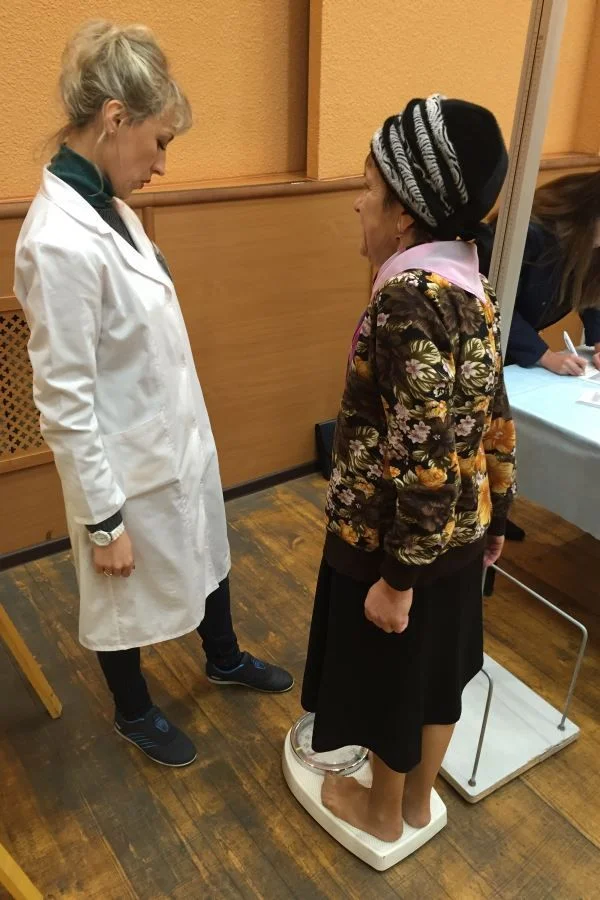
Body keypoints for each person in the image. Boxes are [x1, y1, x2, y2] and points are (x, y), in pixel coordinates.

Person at [14, 21, 292, 769]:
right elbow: (64, 400)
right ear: (115, 118)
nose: (163, 163)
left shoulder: (111, 205)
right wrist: (104, 522)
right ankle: (133, 711)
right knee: (119, 592)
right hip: (123, 467)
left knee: (207, 544)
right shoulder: (59, 241)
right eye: (160, 141)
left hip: (175, 437)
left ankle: (222, 657)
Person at [301, 95, 516, 842]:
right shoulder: (471, 285)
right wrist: (499, 512)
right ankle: (418, 802)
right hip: (460, 533)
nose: (358, 202)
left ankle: (382, 812)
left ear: (403, 213)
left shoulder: (406, 299)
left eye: (369, 187)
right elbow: (494, 411)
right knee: (437, 680)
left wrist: (396, 580)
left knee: (393, 679)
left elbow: (420, 454)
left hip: (396, 544)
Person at [481, 170, 600, 374]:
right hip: (475, 346)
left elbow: (591, 292)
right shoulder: (531, 233)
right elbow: (490, 301)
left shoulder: (590, 238)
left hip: (512, 351)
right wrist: (545, 356)